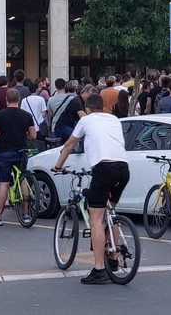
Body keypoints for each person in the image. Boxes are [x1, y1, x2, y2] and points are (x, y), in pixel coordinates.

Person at [53, 94, 130, 285]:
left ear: (87, 108)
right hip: (123, 169)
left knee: (95, 219)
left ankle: (99, 269)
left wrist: (58, 166)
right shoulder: (114, 119)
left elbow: (69, 145)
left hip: (103, 168)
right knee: (110, 211)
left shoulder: (85, 121)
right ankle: (112, 255)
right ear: (103, 107)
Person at [0, 89, 36, 226]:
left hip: (5, 151)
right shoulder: (26, 115)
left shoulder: (0, 116)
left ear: (6, 100)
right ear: (19, 99)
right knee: (23, 180)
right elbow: (33, 135)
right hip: (21, 151)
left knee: (4, 183)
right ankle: (26, 214)